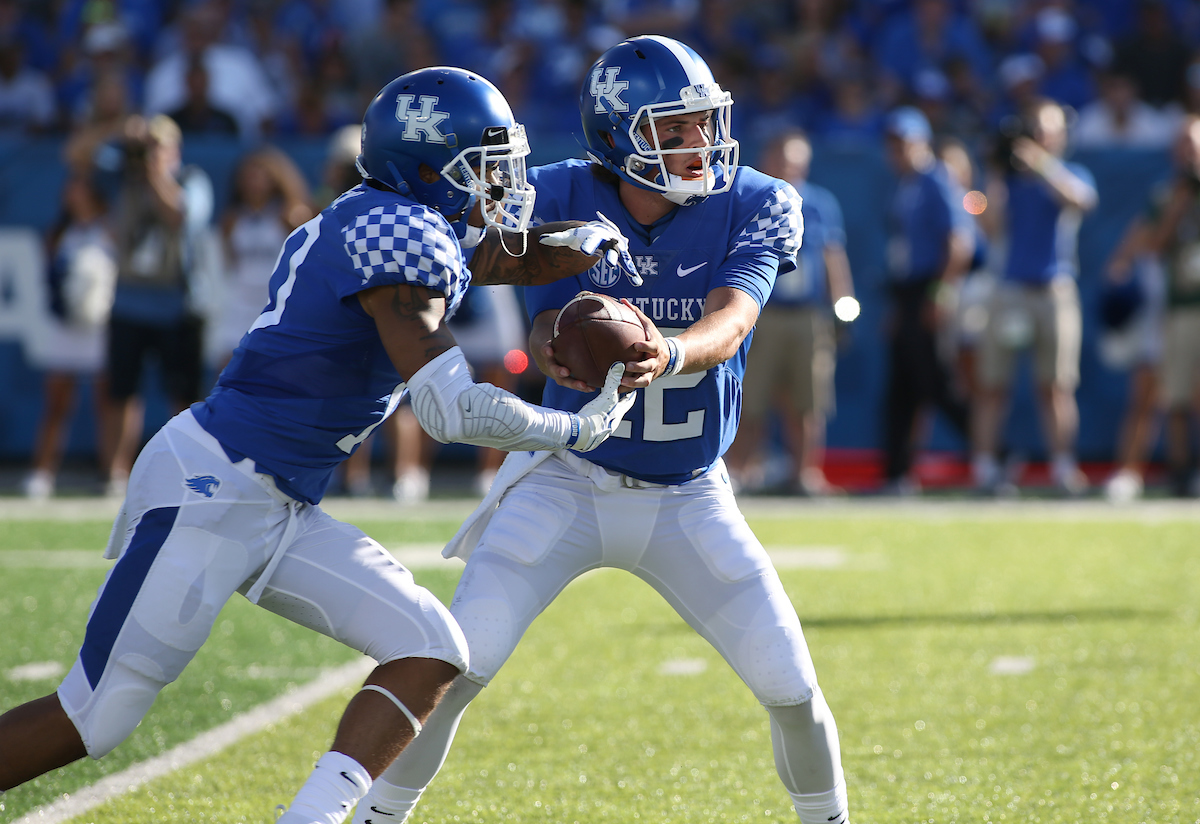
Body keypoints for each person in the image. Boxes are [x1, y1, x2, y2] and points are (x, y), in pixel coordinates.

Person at [0, 66, 640, 824]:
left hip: (277, 501)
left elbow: (495, 257)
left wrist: (581, 243)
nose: (502, 183)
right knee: (94, 715)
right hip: (214, 486)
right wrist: (573, 427)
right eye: (485, 166)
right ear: (430, 166)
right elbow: (448, 409)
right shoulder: (396, 234)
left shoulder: (393, 220)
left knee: (432, 646)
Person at [351, 36, 850, 824]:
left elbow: (735, 316)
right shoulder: (554, 192)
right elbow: (462, 262)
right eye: (675, 128)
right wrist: (549, 327)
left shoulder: (756, 199)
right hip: (564, 480)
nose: (701, 143)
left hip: (689, 494)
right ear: (618, 135)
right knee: (452, 667)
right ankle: (381, 817)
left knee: (791, 688)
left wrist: (672, 348)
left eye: (703, 123)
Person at [971, 97, 1098, 497]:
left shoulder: (1068, 173)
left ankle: (1063, 466)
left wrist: (1040, 163)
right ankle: (985, 467)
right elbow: (990, 225)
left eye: (1049, 129)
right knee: (993, 384)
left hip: (1053, 289)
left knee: (1056, 385)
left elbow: (1081, 200)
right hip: (1011, 289)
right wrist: (996, 170)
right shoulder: (1010, 179)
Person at [728, 127, 858, 496]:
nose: (791, 168)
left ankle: (805, 473)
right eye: (784, 160)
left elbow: (834, 257)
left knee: (807, 399)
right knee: (749, 396)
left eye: (797, 161)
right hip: (761, 312)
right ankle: (740, 470)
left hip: (807, 314)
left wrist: (842, 308)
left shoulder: (820, 203)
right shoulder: (751, 199)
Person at [103, 113, 214, 498]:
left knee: (182, 395)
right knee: (121, 392)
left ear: (174, 149)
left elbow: (181, 217)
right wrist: (116, 130)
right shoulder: (122, 173)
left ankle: (185, 471)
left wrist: (156, 173)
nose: (149, 153)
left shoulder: (191, 178)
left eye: (158, 146)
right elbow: (77, 155)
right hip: (130, 299)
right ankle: (115, 473)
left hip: (176, 304)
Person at [880, 105, 975, 496]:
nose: (898, 152)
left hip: (927, 288)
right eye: (893, 145)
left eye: (904, 144)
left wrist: (940, 294)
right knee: (902, 383)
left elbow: (959, 243)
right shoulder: (905, 184)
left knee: (936, 381)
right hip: (907, 290)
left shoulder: (936, 178)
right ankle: (897, 473)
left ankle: (992, 454)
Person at [22, 174, 116, 499]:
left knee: (108, 402)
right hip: (66, 327)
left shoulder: (111, 227)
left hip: (103, 328)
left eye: (80, 186)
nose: (72, 193)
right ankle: (42, 473)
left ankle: (115, 473)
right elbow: (49, 280)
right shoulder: (59, 233)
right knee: (57, 402)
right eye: (70, 187)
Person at [210, 146, 314, 369]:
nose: (254, 182)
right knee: (227, 369)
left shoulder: (289, 216)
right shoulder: (232, 220)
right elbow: (229, 262)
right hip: (239, 304)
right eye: (248, 176)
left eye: (260, 176)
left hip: (276, 304)